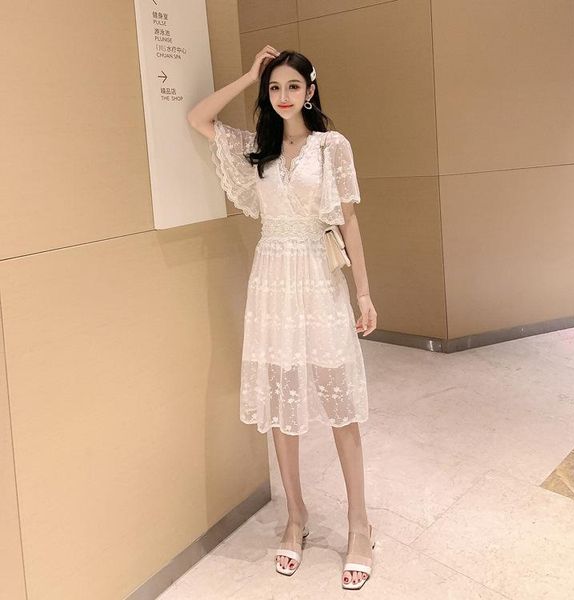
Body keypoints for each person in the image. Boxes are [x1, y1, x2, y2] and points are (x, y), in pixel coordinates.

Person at [187, 45, 377, 590]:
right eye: (274, 87)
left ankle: (359, 524)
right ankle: (296, 516)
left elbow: (349, 223)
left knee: (340, 403)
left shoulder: (331, 146)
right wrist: (249, 74)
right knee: (281, 401)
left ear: (310, 91)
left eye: (293, 86)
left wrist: (364, 294)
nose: (283, 95)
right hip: (271, 279)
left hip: (318, 275)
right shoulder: (258, 151)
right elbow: (198, 118)